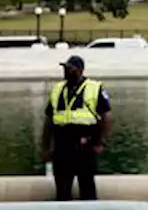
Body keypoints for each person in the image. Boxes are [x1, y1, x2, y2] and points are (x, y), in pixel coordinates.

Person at [41, 55, 112, 201]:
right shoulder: (58, 89)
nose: (66, 71)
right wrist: (46, 147)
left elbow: (106, 117)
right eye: (65, 68)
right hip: (62, 146)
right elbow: (49, 120)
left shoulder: (94, 88)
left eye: (69, 69)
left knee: (87, 188)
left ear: (80, 70)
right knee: (62, 190)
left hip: (85, 145)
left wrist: (101, 142)